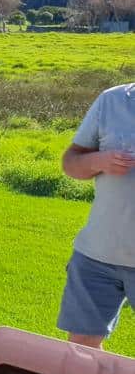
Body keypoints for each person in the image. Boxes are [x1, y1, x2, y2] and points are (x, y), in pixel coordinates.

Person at [56, 82, 135, 349]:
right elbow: (71, 163)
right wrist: (99, 161)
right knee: (81, 354)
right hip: (96, 257)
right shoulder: (112, 100)